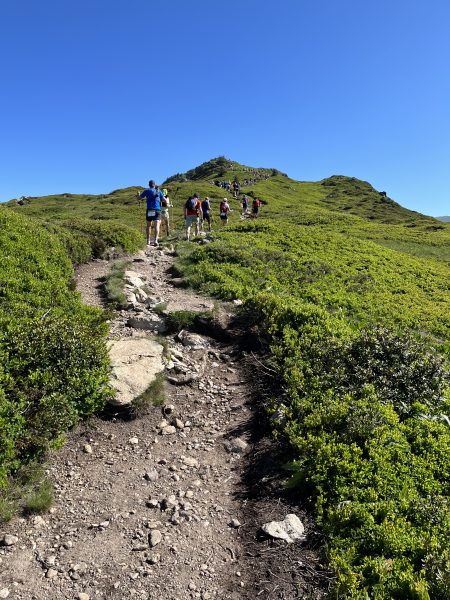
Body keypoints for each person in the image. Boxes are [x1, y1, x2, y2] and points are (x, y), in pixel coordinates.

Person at [139, 180, 164, 245]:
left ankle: (148, 241)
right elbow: (164, 199)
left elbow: (139, 198)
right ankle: (156, 240)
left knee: (148, 226)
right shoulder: (158, 191)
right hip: (157, 210)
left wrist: (138, 195)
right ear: (154, 184)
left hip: (149, 209)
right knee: (157, 226)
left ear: (149, 185)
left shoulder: (146, 191)